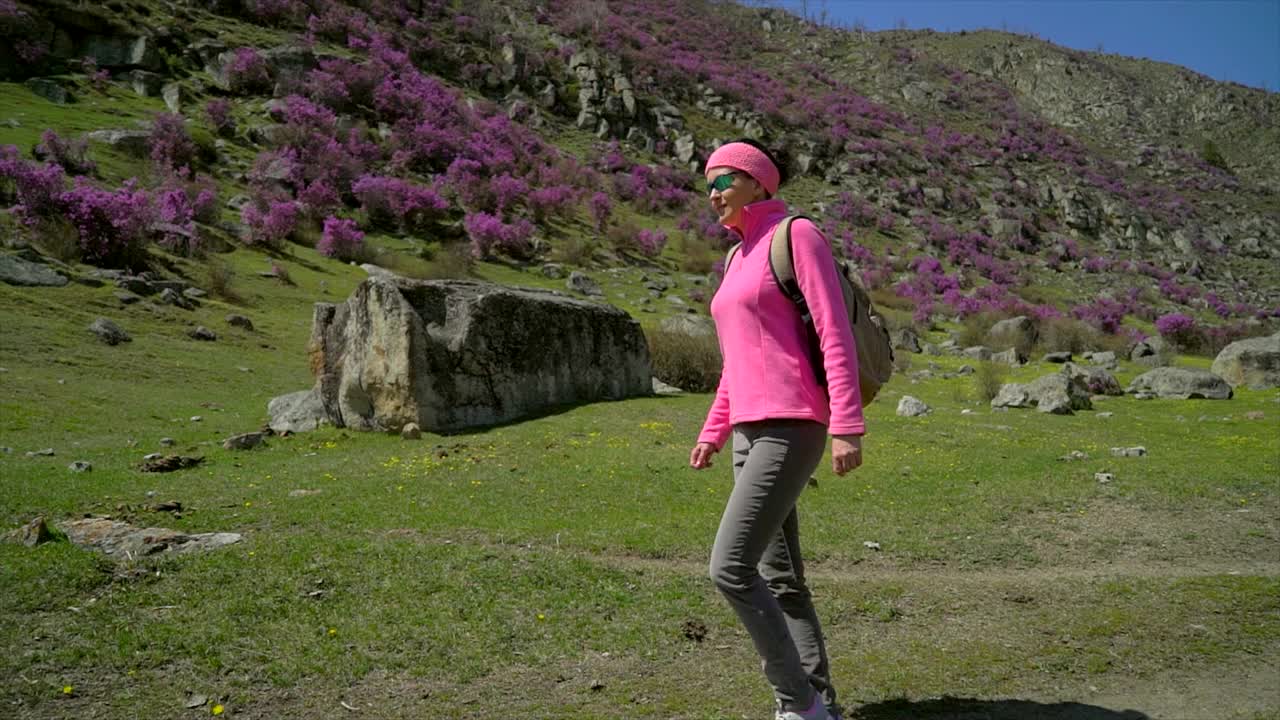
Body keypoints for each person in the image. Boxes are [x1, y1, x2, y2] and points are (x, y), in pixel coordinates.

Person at [689, 139, 865, 720]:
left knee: (729, 567)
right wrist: (714, 431)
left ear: (757, 182)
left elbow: (835, 331)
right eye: (707, 183)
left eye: (722, 181)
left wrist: (847, 424)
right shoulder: (735, 258)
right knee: (778, 577)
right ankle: (820, 702)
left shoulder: (797, 235)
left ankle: (798, 704)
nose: (710, 193)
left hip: (793, 425)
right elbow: (734, 362)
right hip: (748, 429)